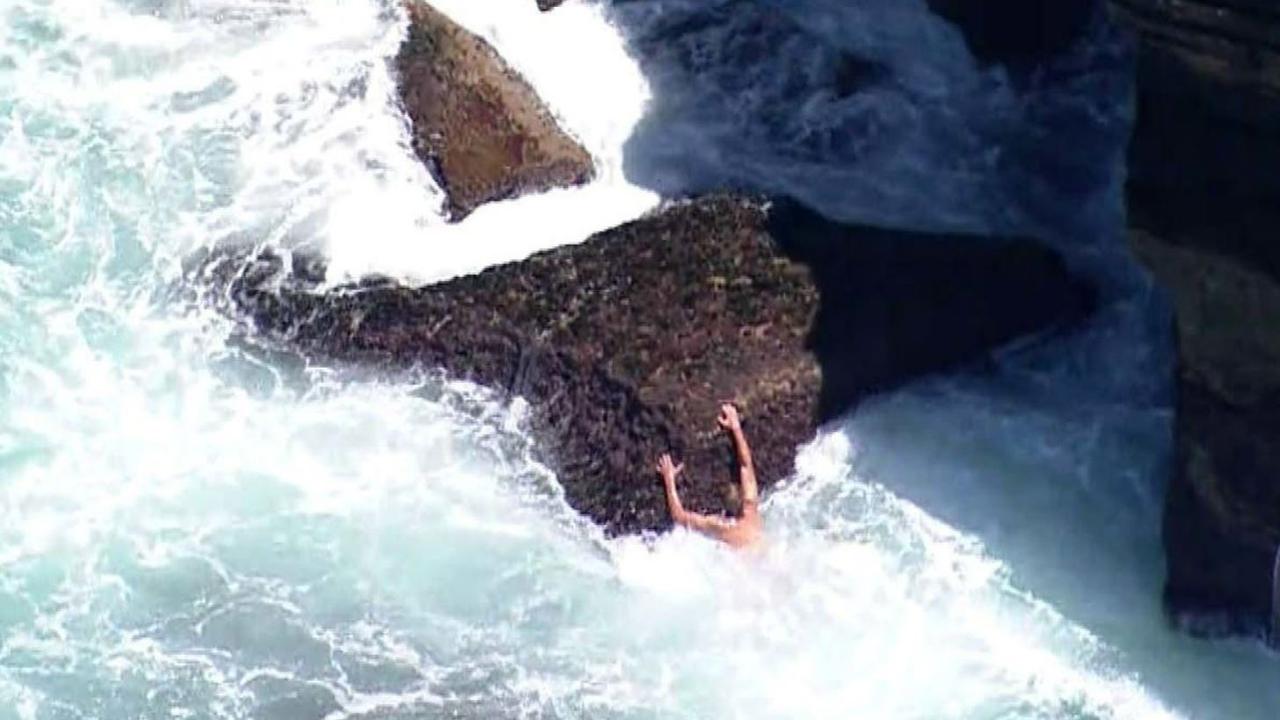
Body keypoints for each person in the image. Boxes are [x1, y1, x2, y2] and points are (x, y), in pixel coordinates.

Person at [655, 403, 763, 549]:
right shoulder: (751, 509)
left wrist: (669, 480)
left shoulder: (722, 528)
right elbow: (746, 466)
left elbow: (679, 517)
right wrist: (736, 427)